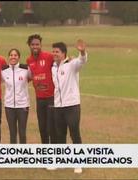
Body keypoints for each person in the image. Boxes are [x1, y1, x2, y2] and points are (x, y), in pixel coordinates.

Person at [51, 40, 88, 173]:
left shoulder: (72, 64)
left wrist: (82, 51)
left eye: (57, 52)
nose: (54, 54)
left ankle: (78, 162)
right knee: (60, 134)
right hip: (58, 106)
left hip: (72, 105)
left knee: (74, 133)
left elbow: (82, 60)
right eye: (53, 51)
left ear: (63, 53)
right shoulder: (53, 67)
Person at [26, 34, 57, 144]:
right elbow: (29, 76)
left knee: (51, 128)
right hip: (39, 99)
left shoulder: (48, 56)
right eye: (33, 44)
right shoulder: (29, 60)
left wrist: (69, 60)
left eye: (37, 44)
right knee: (42, 128)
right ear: (29, 46)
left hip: (51, 98)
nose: (35, 46)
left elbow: (60, 62)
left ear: (41, 45)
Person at [1, 48, 30, 144]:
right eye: (11, 55)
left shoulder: (25, 69)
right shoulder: (4, 70)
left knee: (22, 133)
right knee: (12, 133)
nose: (13, 57)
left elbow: (32, 77)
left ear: (19, 57)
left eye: (15, 55)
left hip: (23, 105)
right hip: (9, 106)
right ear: (9, 57)